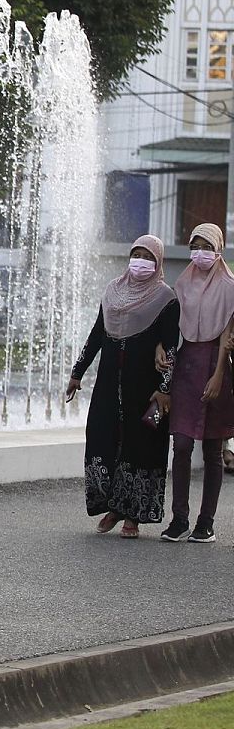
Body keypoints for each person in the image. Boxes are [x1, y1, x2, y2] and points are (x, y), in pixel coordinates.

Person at [66, 234, 179, 539]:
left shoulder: (166, 298)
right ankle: (113, 507)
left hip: (144, 388)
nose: (140, 261)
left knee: (139, 444)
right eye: (136, 254)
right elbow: (97, 334)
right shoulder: (113, 291)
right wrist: (78, 372)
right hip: (108, 384)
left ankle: (132, 516)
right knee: (104, 437)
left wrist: (165, 389)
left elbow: (170, 348)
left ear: (158, 262)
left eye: (148, 256)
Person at [162, 224, 234, 542]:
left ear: (218, 248)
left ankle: (206, 522)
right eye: (196, 245)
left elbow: (226, 336)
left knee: (212, 449)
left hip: (217, 365)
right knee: (181, 444)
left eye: (207, 246)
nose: (200, 252)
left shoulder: (230, 286)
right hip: (186, 366)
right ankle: (179, 518)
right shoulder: (183, 282)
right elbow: (169, 328)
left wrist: (218, 375)